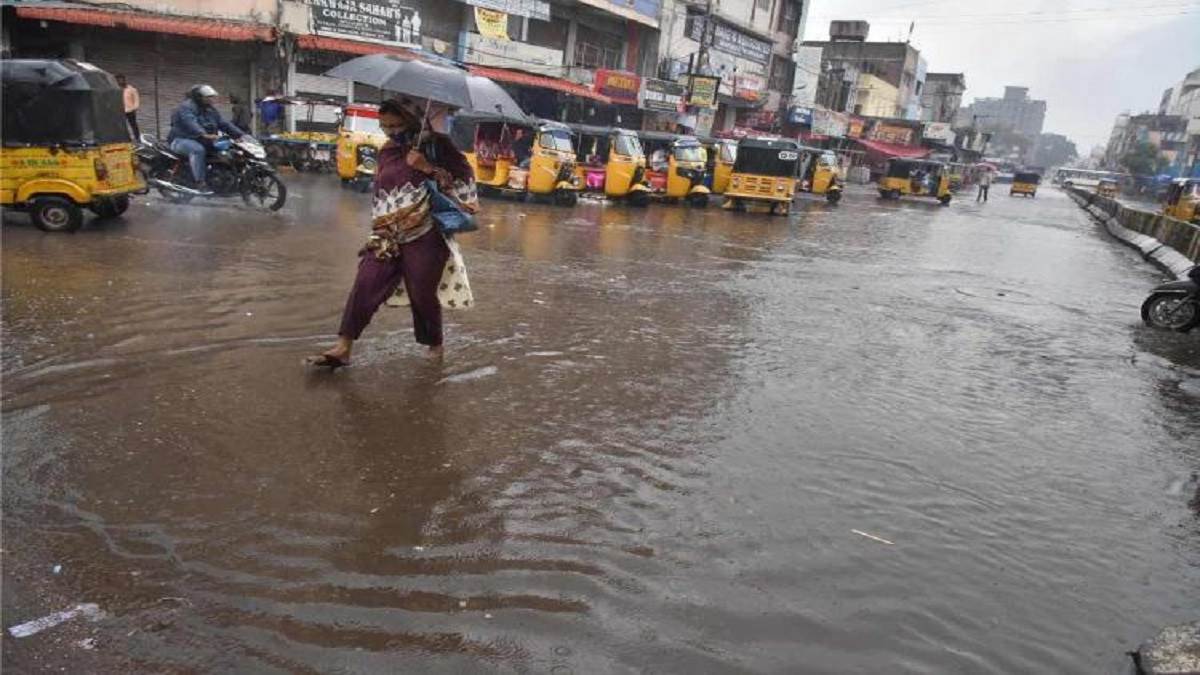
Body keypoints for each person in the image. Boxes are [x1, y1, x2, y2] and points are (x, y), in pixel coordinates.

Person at [309, 99, 479, 369]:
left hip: (426, 234)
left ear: (411, 120)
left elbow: (465, 183)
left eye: (396, 125)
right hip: (386, 235)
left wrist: (427, 167)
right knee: (365, 283)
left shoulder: (438, 146)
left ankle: (435, 346)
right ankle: (344, 346)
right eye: (384, 126)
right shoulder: (387, 150)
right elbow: (383, 191)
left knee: (421, 293)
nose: (390, 132)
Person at [167, 84, 246, 191]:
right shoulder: (186, 108)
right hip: (181, 140)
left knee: (227, 151)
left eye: (212, 97)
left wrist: (240, 135)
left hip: (203, 140)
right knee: (197, 150)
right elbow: (190, 122)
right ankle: (200, 182)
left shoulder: (210, 110)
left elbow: (223, 123)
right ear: (199, 97)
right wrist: (203, 134)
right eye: (208, 97)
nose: (211, 99)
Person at [115, 74, 140, 139]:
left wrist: (135, 108)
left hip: (130, 110)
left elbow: (136, 100)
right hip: (119, 111)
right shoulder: (115, 89)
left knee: (133, 125)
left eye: (121, 80)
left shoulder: (131, 89)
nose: (120, 82)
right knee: (121, 126)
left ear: (124, 80)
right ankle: (126, 138)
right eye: (118, 80)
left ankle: (137, 138)